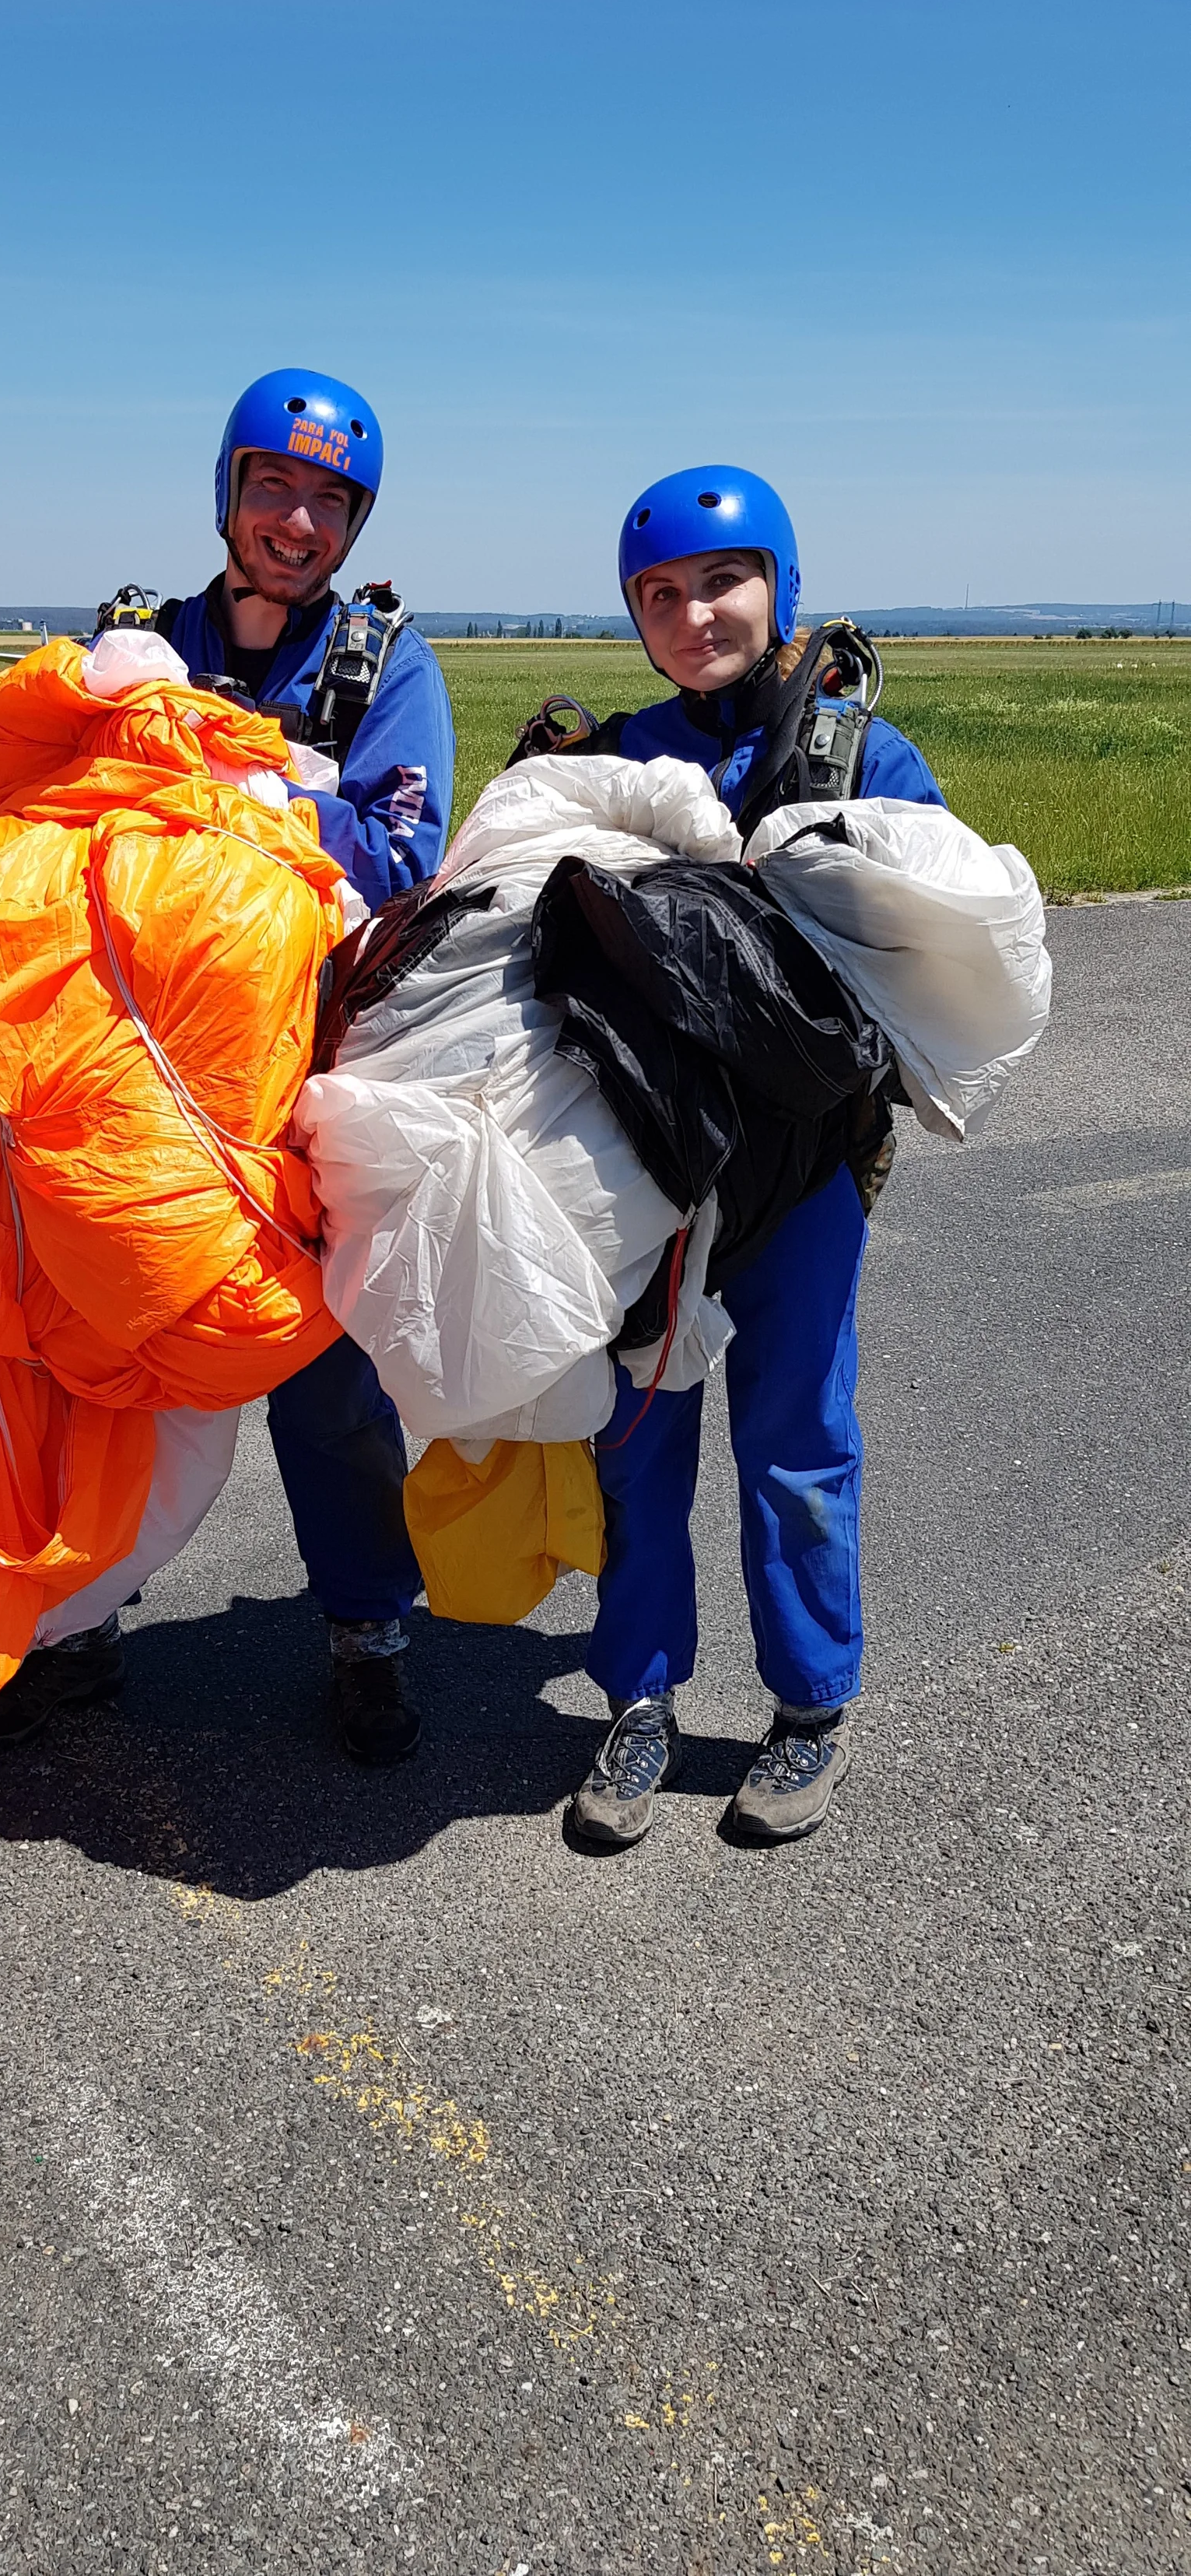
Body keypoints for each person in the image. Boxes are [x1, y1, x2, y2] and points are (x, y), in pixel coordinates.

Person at [0, 367, 456, 1761]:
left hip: (303, 1069)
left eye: (328, 502)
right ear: (229, 491)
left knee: (325, 1369)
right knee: (94, 1348)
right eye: (274, 488)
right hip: (128, 1072)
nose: (297, 523)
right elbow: (42, 813)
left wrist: (251, 795)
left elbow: (405, 855)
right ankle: (76, 1629)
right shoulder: (144, 643)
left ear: (353, 524)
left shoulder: (382, 668)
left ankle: (366, 1630)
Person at [557, 467, 944, 1850]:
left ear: (778, 583)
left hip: (807, 1164)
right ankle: (640, 1696)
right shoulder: (609, 754)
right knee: (639, 1435)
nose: (693, 613)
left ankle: (808, 1709)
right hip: (647, 1170)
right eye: (659, 596)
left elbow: (936, 933)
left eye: (721, 581)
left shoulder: (860, 754)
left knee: (796, 1441)